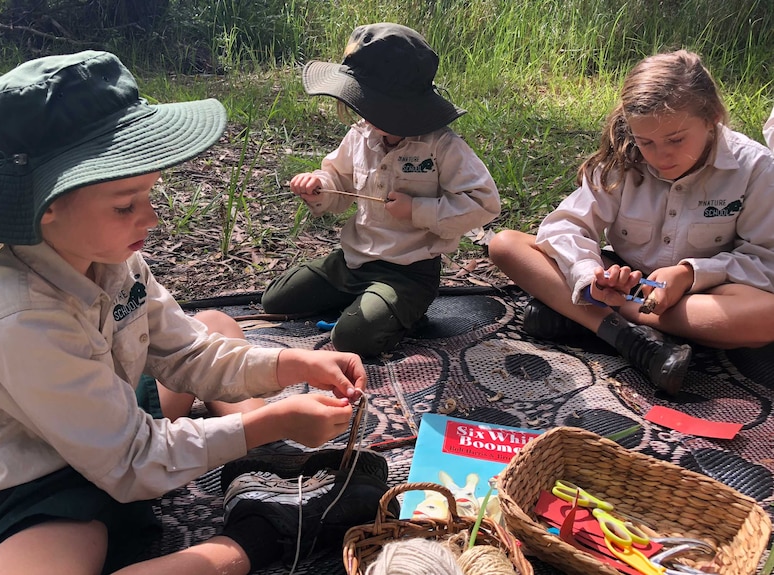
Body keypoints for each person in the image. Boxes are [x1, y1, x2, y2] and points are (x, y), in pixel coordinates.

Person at [0, 50, 389, 575]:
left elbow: (187, 351)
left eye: (148, 194)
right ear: (47, 207)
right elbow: (130, 459)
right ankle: (261, 532)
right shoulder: (12, 318)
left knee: (215, 327)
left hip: (108, 416)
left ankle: (259, 465)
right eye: (125, 204)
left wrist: (290, 367)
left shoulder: (113, 260)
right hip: (31, 482)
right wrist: (268, 420)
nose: (152, 217)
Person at [488, 49, 774, 396]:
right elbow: (565, 226)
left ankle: (596, 320)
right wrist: (592, 275)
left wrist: (689, 273)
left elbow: (765, 261)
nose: (660, 156)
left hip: (700, 294)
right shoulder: (622, 158)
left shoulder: (756, 168)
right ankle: (632, 337)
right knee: (506, 245)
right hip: (627, 280)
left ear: (713, 117)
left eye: (676, 140)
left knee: (767, 315)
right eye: (646, 142)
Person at [261, 23, 501, 357]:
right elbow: (338, 180)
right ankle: (365, 301)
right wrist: (319, 187)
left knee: (351, 340)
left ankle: (394, 309)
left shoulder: (441, 147)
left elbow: (484, 203)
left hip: (408, 272)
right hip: (353, 261)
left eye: (369, 104)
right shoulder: (361, 135)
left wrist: (417, 210)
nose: (362, 113)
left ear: (405, 108)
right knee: (275, 298)